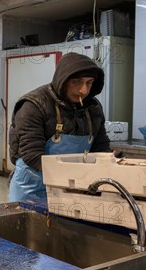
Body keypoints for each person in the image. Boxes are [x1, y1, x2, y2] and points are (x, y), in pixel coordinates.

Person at [8, 52, 111, 203]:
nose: (84, 90)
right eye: (76, 82)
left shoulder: (93, 108)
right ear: (62, 80)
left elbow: (100, 147)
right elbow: (32, 154)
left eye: (89, 83)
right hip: (33, 189)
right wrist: (72, 176)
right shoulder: (33, 105)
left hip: (73, 187)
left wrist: (111, 161)